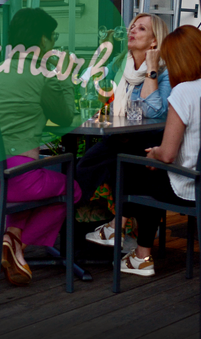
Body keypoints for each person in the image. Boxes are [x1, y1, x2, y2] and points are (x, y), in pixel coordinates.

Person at [0, 8, 82, 287]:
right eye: (52, 37)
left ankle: (10, 240)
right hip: (16, 181)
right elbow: (65, 117)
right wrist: (63, 77)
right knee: (70, 188)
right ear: (41, 40)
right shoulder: (43, 74)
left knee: (28, 176)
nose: (53, 43)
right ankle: (14, 243)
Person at [119, 25, 201, 276]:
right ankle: (128, 242)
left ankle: (137, 251)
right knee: (151, 172)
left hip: (192, 189)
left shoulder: (184, 91)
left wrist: (154, 153)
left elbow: (167, 155)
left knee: (135, 169)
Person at [78, 13, 172, 249]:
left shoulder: (165, 72)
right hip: (119, 138)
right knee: (87, 167)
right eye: (132, 27)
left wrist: (151, 68)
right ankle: (98, 228)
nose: (132, 31)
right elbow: (93, 89)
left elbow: (155, 112)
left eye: (141, 29)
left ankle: (114, 228)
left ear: (154, 41)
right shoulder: (119, 65)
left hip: (151, 142)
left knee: (110, 166)